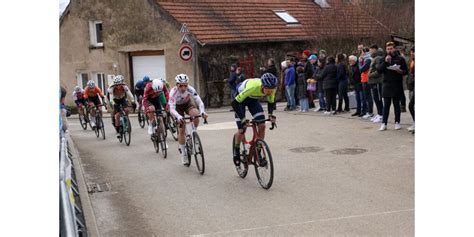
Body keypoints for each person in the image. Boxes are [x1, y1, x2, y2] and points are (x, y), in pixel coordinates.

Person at [231, 73, 277, 167]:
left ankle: (258, 152)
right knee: (242, 129)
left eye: (271, 90)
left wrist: (271, 115)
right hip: (240, 100)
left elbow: (271, 102)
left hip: (253, 100)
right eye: (268, 90)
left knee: (262, 125)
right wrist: (243, 119)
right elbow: (234, 103)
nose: (269, 92)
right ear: (262, 86)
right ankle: (236, 151)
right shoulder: (252, 87)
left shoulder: (272, 89)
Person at [169, 74, 208, 165]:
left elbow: (199, 102)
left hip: (187, 104)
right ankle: (183, 153)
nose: (183, 88)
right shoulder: (173, 92)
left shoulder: (190, 89)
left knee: (196, 114)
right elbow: (171, 109)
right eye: (180, 85)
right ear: (177, 85)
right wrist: (178, 117)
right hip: (177, 108)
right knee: (182, 129)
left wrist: (202, 112)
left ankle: (192, 133)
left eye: (185, 85)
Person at [377, 42, 408, 131]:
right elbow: (379, 70)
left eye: (391, 48)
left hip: (396, 84)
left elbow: (406, 71)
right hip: (386, 85)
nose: (389, 50)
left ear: (394, 49)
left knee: (396, 105)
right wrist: (385, 62)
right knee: (386, 105)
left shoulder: (400, 59)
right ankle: (384, 123)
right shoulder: (383, 59)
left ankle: (397, 122)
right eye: (388, 49)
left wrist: (400, 71)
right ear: (386, 50)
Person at [368, 46, 385, 123]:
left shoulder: (377, 58)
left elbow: (379, 71)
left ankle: (381, 115)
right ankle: (379, 114)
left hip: (377, 82)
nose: (370, 51)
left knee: (378, 98)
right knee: (376, 98)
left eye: (371, 50)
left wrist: (370, 74)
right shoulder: (374, 58)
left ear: (375, 50)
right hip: (374, 82)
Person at [359, 47, 374, 119]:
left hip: (367, 80)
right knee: (367, 96)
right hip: (364, 79)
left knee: (368, 97)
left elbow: (361, 69)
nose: (361, 53)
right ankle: (369, 111)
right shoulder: (366, 59)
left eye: (361, 52)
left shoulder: (368, 60)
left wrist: (360, 62)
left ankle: (370, 112)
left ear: (364, 52)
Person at [407, 47, 415, 133]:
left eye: (414, 52)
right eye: (411, 52)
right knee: (411, 105)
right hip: (412, 85)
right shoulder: (412, 61)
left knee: (411, 105)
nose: (412, 53)